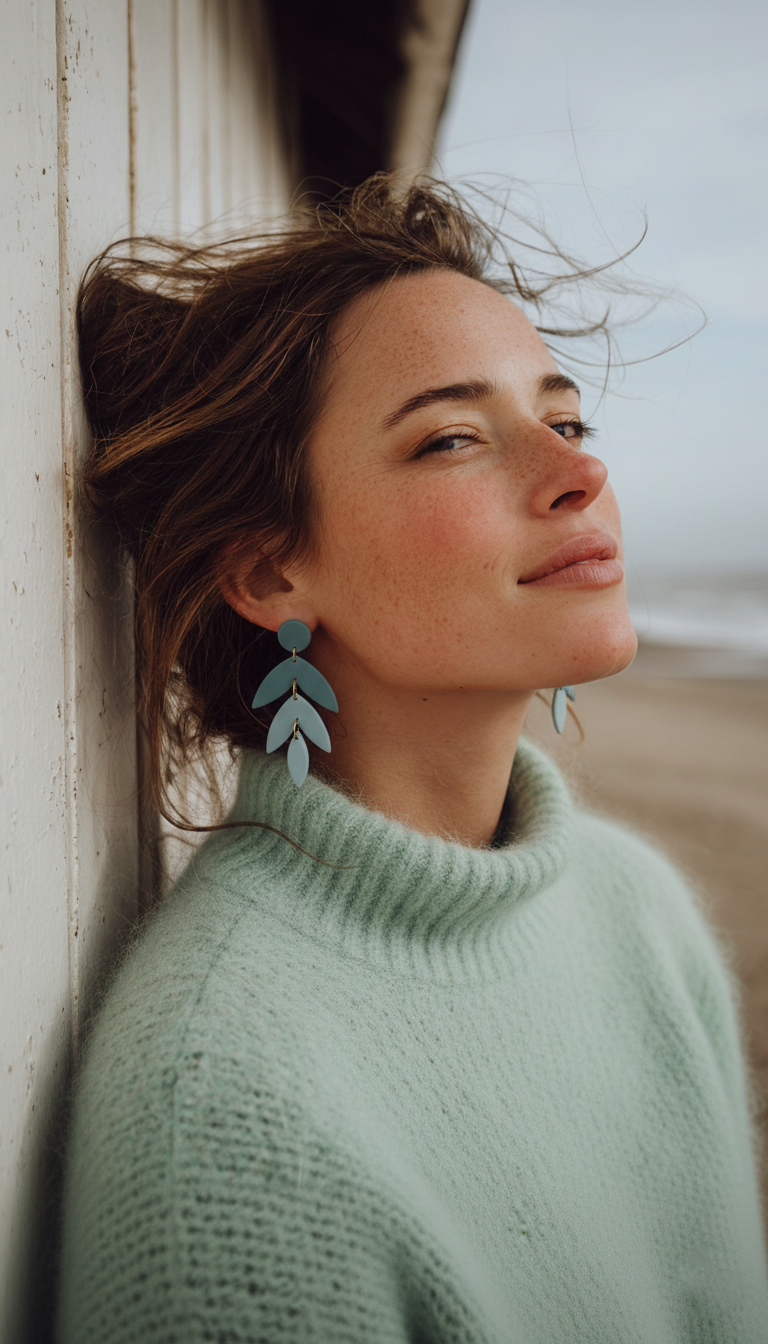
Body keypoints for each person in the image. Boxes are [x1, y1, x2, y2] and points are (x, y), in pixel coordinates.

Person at [56, 175, 768, 1342]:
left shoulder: (642, 913)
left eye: (569, 420)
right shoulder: (227, 1107)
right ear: (272, 573)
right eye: (451, 438)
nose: (579, 472)